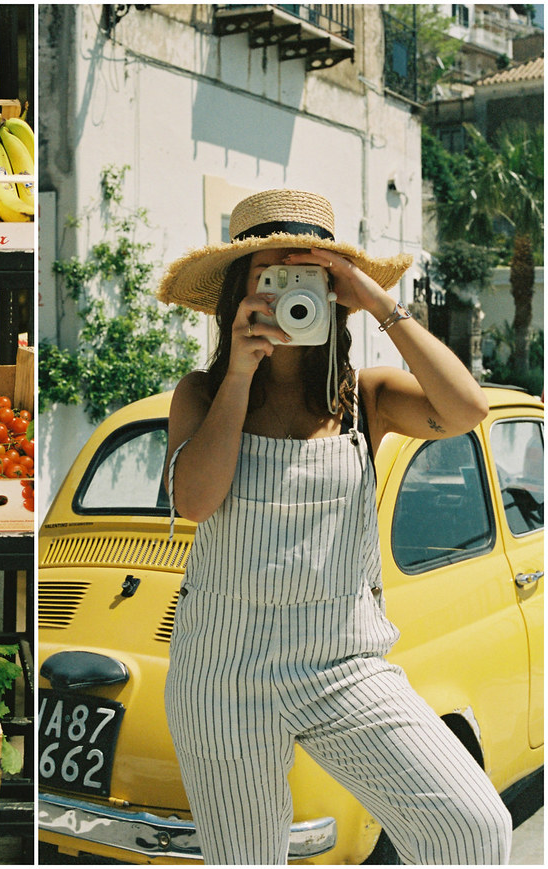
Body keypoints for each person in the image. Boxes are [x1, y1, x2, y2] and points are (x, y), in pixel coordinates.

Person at [155, 188, 511, 864]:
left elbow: (466, 410)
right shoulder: (200, 393)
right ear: (240, 290)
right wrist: (239, 371)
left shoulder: (365, 398)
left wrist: (381, 302)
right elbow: (196, 502)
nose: (290, 292)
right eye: (271, 276)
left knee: (473, 826)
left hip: (344, 663)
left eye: (310, 275)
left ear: (335, 287)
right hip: (223, 670)